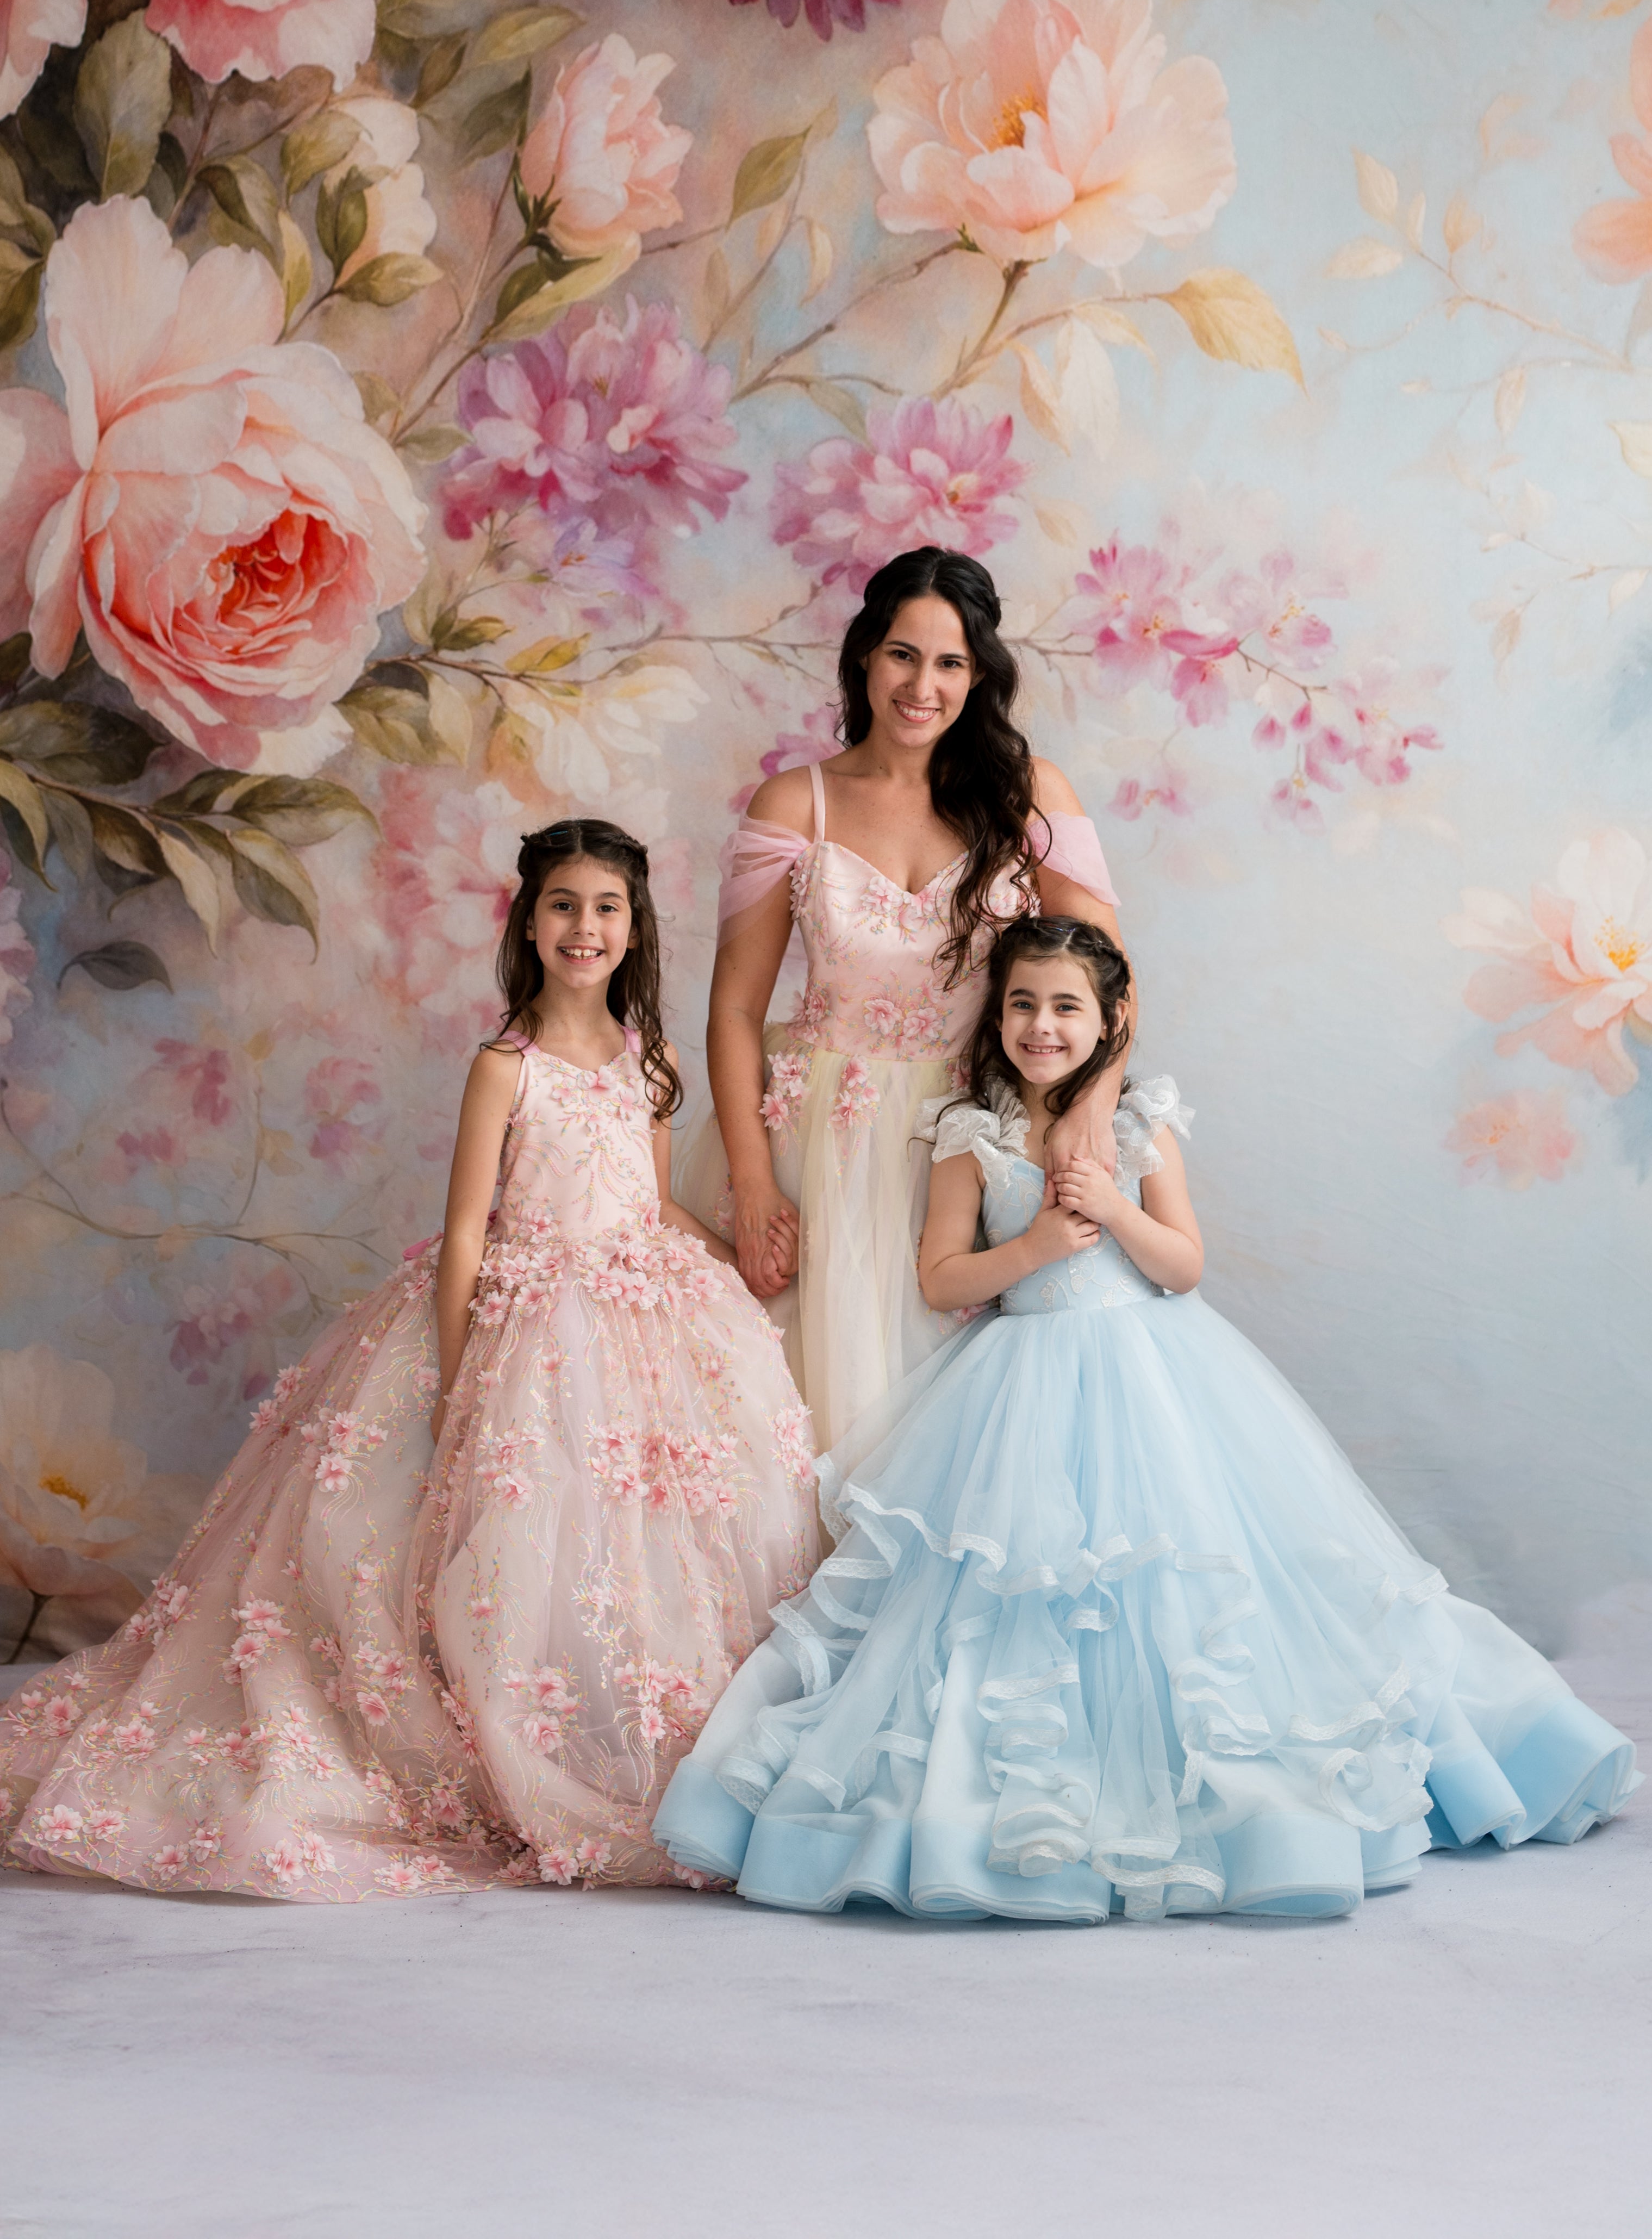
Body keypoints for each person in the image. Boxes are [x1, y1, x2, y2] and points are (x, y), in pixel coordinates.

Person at [655, 916, 1640, 1921]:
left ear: (1110, 1018)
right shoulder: (973, 1132)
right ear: (997, 1017)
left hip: (1156, 1377)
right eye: (1023, 1004)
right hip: (1019, 1387)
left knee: (1187, 1584)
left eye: (1067, 1006)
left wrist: (1117, 1214)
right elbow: (942, 1273)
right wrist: (1037, 1244)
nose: (1043, 1026)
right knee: (1017, 1593)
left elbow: (1183, 1267)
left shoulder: (1137, 1124)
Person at [0, 821, 818, 1900]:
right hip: (523, 1309)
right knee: (511, 1528)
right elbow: (471, 1225)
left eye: (607, 906)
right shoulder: (505, 1065)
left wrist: (724, 1260)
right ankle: (501, 1743)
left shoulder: (647, 1060)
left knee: (641, 1527)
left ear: (634, 925)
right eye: (563, 904)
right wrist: (459, 1361)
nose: (585, 926)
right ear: (530, 920)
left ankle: (615, 1735)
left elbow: (649, 1193)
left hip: (635, 1307)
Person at [698, 545, 1122, 1454]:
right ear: (864, 655)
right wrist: (752, 1178)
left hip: (970, 1139)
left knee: (956, 1433)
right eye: (902, 653)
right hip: (818, 1141)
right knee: (804, 1415)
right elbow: (735, 1008)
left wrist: (1091, 1106)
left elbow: (1110, 981)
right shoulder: (794, 803)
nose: (921, 684)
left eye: (950, 662)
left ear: (979, 675)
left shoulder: (1030, 797)